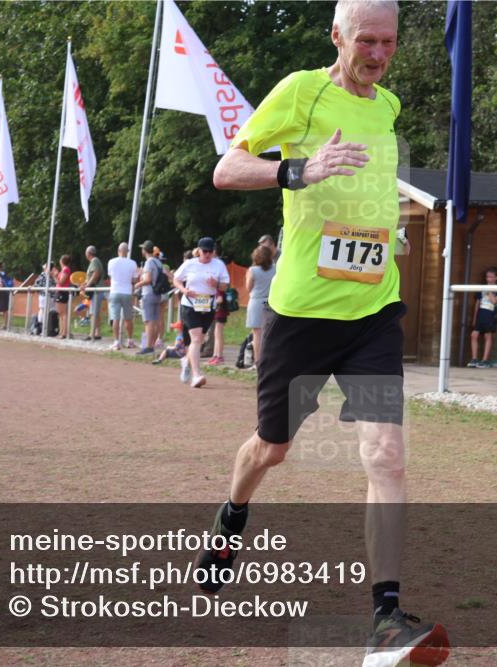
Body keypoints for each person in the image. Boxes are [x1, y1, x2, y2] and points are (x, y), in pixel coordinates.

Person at [203, 2, 450, 662]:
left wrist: (384, 229)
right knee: (272, 449)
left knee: (386, 456)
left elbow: (369, 188)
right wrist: (298, 170)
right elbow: (227, 169)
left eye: (389, 42)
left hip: (372, 313)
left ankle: (386, 618)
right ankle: (232, 513)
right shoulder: (299, 92)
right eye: (367, 41)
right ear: (337, 36)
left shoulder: (389, 106)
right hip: (302, 316)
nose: (379, 54)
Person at [172, 237, 229, 387]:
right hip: (190, 304)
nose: (208, 254)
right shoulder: (190, 264)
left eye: (211, 251)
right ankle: (196, 375)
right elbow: (176, 279)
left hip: (208, 305)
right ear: (199, 251)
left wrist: (216, 284)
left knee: (199, 340)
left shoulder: (219, 265)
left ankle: (186, 361)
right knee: (196, 339)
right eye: (205, 251)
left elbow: (225, 286)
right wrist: (184, 290)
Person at [245, 244, 276, 367]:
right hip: (270, 301)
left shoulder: (253, 270)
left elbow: (249, 287)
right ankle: (269, 359)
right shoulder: (275, 269)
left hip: (257, 301)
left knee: (257, 333)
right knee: (268, 332)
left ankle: (258, 362)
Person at [134, 240, 167, 355]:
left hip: (148, 293)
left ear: (144, 250)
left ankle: (148, 347)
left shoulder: (148, 262)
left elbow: (148, 280)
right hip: (157, 294)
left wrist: (137, 285)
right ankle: (152, 345)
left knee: (149, 321)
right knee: (155, 320)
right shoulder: (158, 262)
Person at [106, 242, 140, 350]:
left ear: (118, 250)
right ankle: (130, 341)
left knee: (115, 318)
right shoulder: (133, 263)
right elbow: (135, 279)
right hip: (127, 292)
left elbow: (110, 275)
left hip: (115, 291)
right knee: (128, 318)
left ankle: (116, 342)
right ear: (128, 251)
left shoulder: (111, 262)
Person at [467, 266, 497, 368]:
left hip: (490, 313)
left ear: (496, 278)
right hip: (481, 313)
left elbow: (494, 301)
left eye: (491, 277)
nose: (489, 279)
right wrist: (474, 318)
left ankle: (485, 360)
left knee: (487, 336)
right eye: (487, 277)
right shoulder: (482, 288)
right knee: (474, 335)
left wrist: (489, 291)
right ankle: (474, 358)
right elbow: (477, 303)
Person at [81, 246, 105, 341]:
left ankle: (92, 334)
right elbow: (91, 276)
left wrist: (87, 285)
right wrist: (85, 284)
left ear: (88, 253)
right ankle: (97, 333)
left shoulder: (94, 261)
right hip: (95, 290)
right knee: (95, 312)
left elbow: (96, 274)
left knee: (93, 313)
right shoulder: (94, 261)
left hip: (96, 290)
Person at [55, 254, 72, 339]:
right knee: (60, 313)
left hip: (62, 292)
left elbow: (61, 282)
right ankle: (61, 331)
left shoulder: (66, 269)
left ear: (62, 261)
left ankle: (64, 333)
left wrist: (54, 276)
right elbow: (58, 282)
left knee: (63, 313)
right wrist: (54, 275)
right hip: (59, 292)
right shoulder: (63, 270)